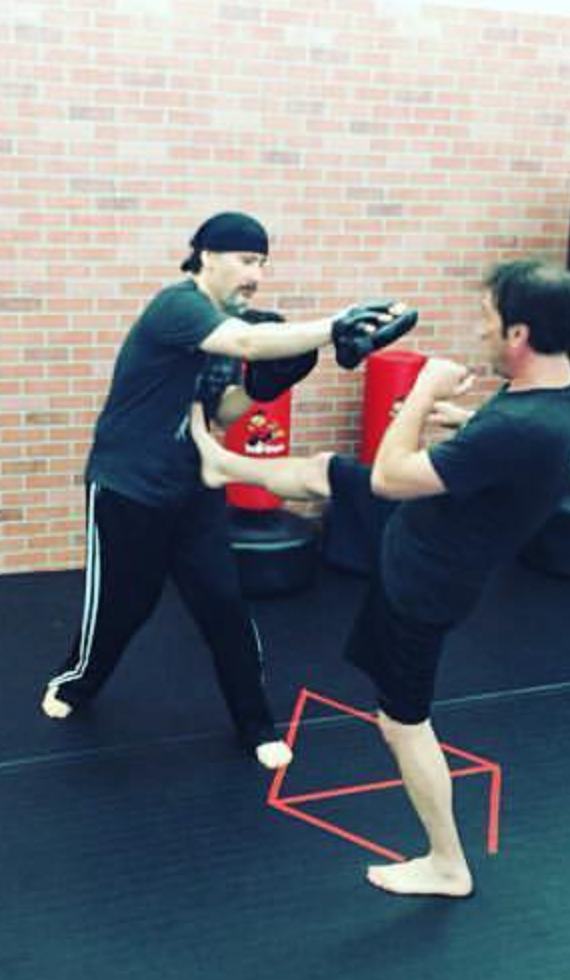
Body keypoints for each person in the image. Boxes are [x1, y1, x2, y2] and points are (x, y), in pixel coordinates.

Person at [189, 258, 570, 894]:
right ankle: (219, 463)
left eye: (488, 319)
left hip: (424, 577)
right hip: (429, 524)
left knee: (404, 722)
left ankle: (447, 864)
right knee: (326, 470)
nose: (480, 330)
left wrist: (425, 394)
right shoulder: (569, 390)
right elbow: (513, 443)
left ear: (519, 334)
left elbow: (388, 474)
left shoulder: (521, 428)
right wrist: (463, 423)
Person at [41, 211, 414, 771]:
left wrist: (266, 386)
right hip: (127, 486)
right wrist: (337, 323)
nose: (255, 275)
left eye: (261, 263)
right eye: (245, 261)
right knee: (124, 605)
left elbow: (222, 413)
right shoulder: (178, 307)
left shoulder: (221, 331)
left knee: (225, 605)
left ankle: (255, 723)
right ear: (207, 256)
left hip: (193, 486)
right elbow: (249, 340)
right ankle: (75, 683)